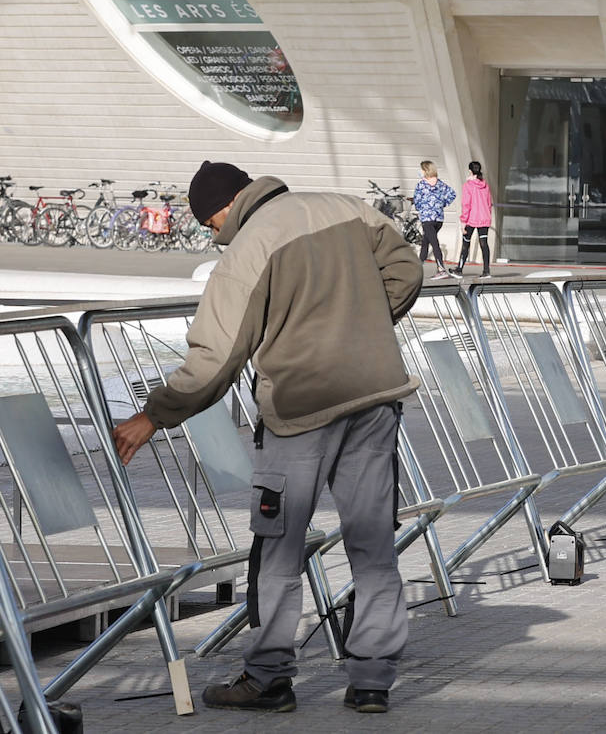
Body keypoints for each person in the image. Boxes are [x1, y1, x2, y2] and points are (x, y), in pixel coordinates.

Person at [112, 161, 422, 714]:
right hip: (374, 398)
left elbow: (217, 354)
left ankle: (269, 677)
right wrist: (362, 331)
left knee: (278, 548)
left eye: (210, 222)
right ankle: (372, 681)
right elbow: (406, 272)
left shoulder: (250, 247)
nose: (212, 234)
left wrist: (154, 416)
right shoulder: (346, 207)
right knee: (373, 543)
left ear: (229, 205)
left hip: (300, 413)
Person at [413, 159, 457, 279]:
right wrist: (442, 203)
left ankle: (441, 269)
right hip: (438, 219)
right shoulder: (441, 184)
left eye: (421, 169)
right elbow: (452, 194)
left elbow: (416, 201)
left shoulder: (421, 185)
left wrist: (421, 207)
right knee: (425, 243)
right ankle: (418, 268)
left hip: (427, 218)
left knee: (434, 244)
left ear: (425, 170)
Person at [456, 160, 493, 277]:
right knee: (484, 244)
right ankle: (486, 271)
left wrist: (463, 221)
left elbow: (466, 204)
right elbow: (489, 203)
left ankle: (459, 269)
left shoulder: (468, 186)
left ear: (470, 171)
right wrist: (488, 215)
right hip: (484, 217)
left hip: (471, 218)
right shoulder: (485, 185)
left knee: (466, 243)